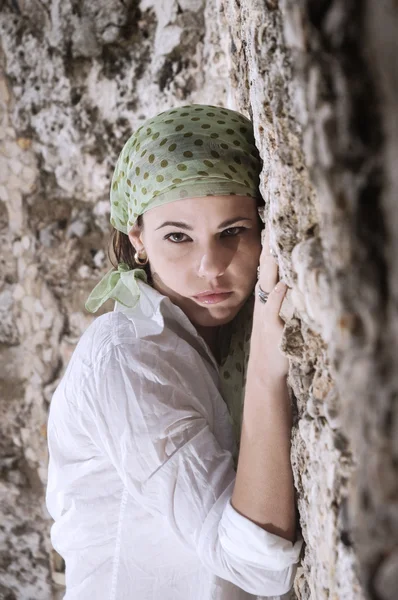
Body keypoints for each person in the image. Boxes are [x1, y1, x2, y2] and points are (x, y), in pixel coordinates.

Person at [45, 104, 303, 600]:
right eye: (178, 236)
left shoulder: (221, 342)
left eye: (233, 232)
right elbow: (256, 564)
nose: (211, 266)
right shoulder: (128, 359)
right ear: (138, 238)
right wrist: (271, 360)